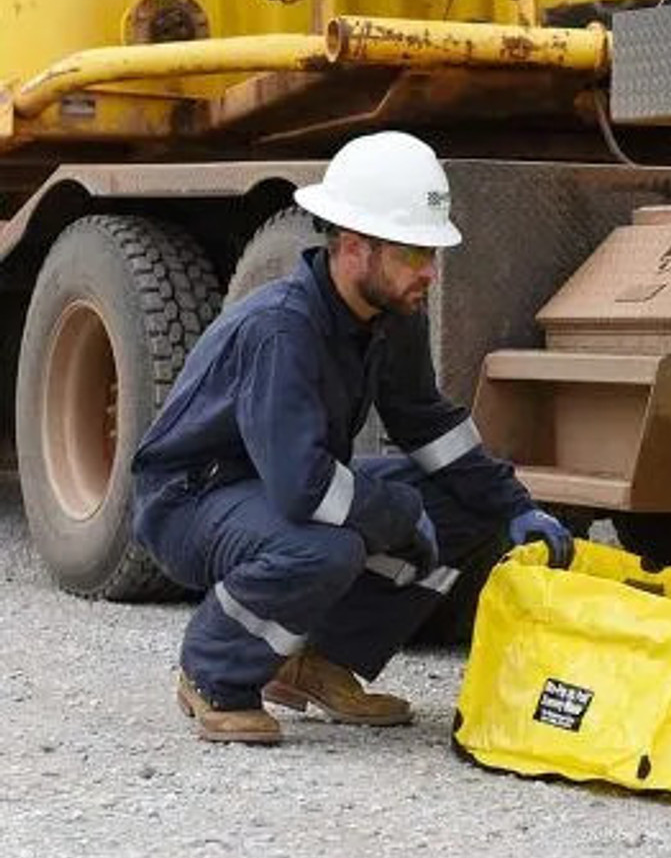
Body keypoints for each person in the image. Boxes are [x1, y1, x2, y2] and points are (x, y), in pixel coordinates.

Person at [131, 131, 573, 745]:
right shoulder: (281, 330)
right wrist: (398, 513)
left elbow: (427, 423)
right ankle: (215, 673)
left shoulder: (392, 316)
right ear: (356, 248)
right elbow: (303, 489)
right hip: (191, 502)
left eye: (431, 253)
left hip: (279, 482)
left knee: (460, 503)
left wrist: (514, 506)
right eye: (414, 253)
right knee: (325, 546)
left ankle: (318, 662)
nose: (430, 272)